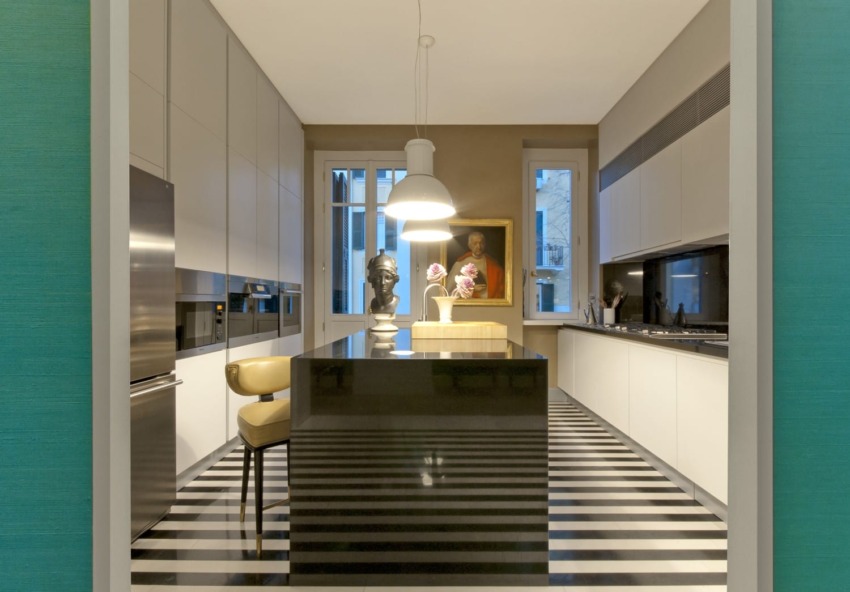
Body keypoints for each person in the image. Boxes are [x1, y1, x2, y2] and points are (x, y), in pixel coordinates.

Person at [446, 231, 505, 299]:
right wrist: (472, 290)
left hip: (491, 306)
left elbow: (502, 291)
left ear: (485, 244)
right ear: (469, 245)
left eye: (481, 243)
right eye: (475, 243)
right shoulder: (460, 264)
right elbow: (449, 292)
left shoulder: (493, 265)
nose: (479, 247)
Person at [366, 248, 400, 314]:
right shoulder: (373, 303)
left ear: (394, 281)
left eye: (388, 277)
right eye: (378, 278)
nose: (383, 283)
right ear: (372, 281)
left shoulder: (397, 302)